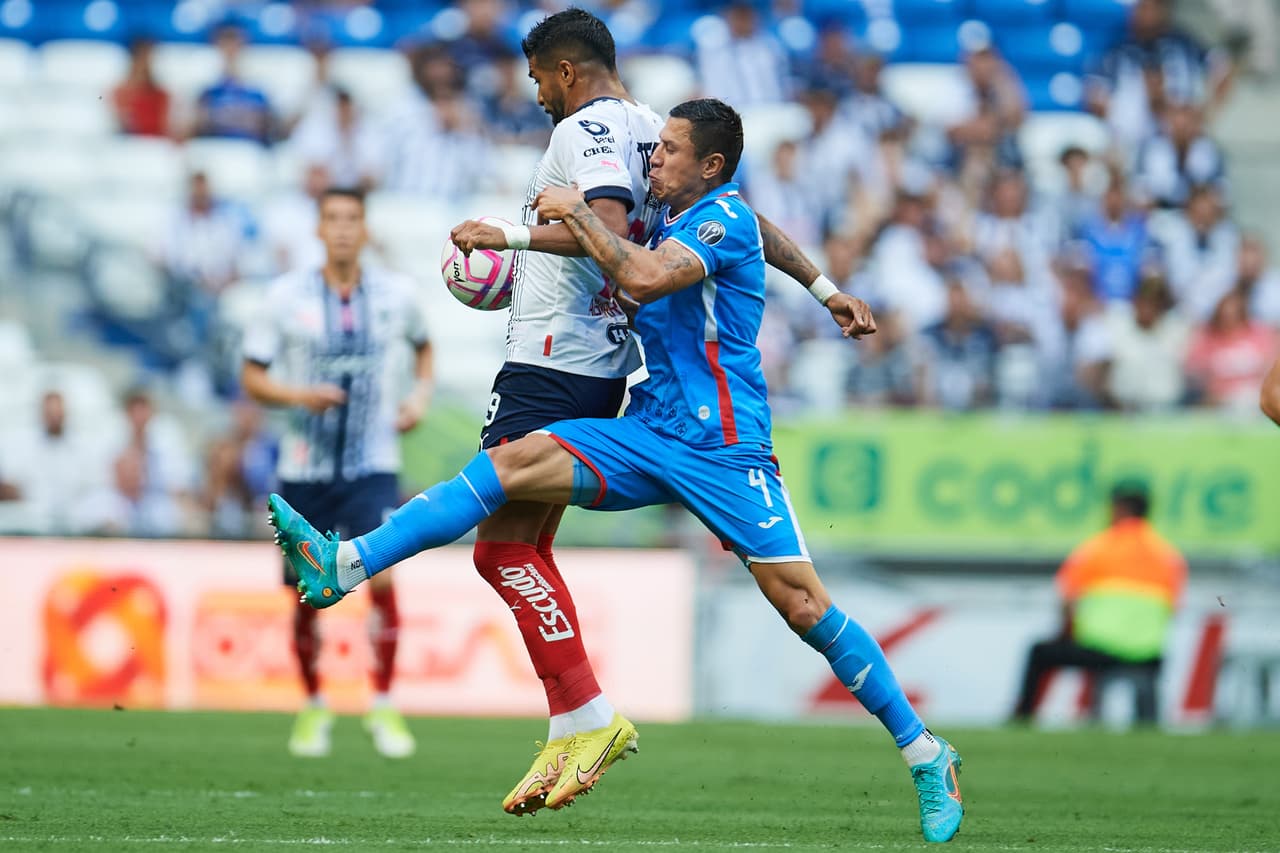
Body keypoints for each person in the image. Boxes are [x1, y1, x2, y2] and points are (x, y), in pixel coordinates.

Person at [271, 98, 964, 843]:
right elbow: (767, 230)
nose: (651, 160)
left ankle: (927, 753)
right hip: (647, 429)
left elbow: (640, 276)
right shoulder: (704, 212)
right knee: (509, 463)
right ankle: (344, 562)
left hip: (726, 451)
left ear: (711, 167)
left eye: (667, 151)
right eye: (654, 146)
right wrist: (826, 290)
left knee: (803, 607)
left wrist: (570, 211)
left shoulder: (713, 224)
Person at [446, 8, 875, 819]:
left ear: (565, 71)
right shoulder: (656, 132)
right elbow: (747, 220)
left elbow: (605, 231)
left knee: (499, 547)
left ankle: (583, 714)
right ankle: (575, 719)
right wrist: (824, 288)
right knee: (514, 545)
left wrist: (510, 233)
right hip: (604, 369)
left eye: (538, 77)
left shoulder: (588, 131)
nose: (536, 93)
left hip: (558, 360)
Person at [241, 187, 434, 759]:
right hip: (304, 469)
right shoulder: (283, 298)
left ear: (365, 227)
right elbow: (252, 376)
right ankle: (314, 705)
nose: (344, 229)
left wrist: (419, 397)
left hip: (372, 464)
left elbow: (425, 350)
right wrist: (298, 394)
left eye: (353, 218)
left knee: (385, 578)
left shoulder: (397, 295)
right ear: (319, 230)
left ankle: (383, 704)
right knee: (304, 592)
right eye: (333, 219)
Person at [1011, 481, 1187, 725]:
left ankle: (1022, 718)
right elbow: (1172, 609)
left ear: (1119, 509)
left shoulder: (1098, 547)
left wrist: (1067, 633)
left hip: (1099, 649)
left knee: (1040, 652)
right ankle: (1147, 724)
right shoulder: (1168, 555)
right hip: (1149, 653)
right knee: (1143, 686)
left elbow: (1067, 598)